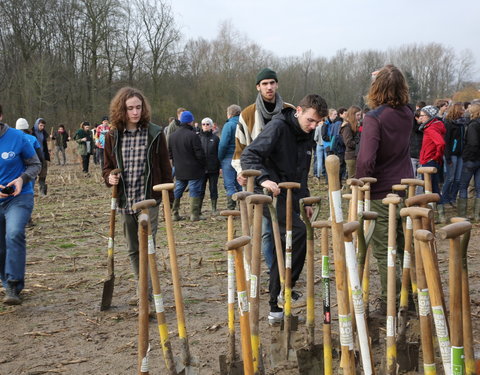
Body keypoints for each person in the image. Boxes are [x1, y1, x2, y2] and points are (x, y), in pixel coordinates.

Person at [240, 94, 328, 324]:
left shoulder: (306, 136)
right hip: (272, 194)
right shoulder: (278, 127)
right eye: (310, 120)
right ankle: (282, 292)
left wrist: (305, 201)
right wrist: (264, 179)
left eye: (317, 123)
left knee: (293, 240)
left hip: (292, 194)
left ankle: (278, 303)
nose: (313, 126)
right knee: (295, 234)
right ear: (298, 110)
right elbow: (250, 155)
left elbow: (302, 173)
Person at [103, 87, 173, 297]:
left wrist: (169, 196)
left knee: (147, 246)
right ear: (121, 110)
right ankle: (141, 286)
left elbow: (164, 166)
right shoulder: (113, 136)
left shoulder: (155, 133)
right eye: (130, 108)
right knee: (133, 249)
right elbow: (106, 167)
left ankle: (146, 293)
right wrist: (110, 177)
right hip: (124, 200)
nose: (135, 112)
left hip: (148, 200)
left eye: (138, 108)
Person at [356, 64, 414, 314]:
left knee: (384, 250)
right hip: (406, 188)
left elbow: (366, 158)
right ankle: (406, 297)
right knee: (403, 247)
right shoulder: (408, 113)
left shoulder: (374, 117)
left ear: (376, 88)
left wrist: (361, 182)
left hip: (382, 191)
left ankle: (390, 300)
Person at [232, 68, 294, 272]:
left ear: (277, 85)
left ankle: (288, 266)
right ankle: (274, 268)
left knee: (289, 226)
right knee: (268, 228)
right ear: (258, 87)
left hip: (285, 177)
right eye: (265, 83)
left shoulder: (289, 111)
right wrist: (242, 171)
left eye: (272, 83)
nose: (269, 87)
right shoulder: (248, 114)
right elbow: (240, 148)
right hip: (260, 178)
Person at [0, 105, 41, 305]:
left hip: (19, 197)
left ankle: (13, 285)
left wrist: (21, 179)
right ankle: (6, 281)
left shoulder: (17, 137)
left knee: (14, 233)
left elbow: (36, 164)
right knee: (0, 247)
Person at [168, 111, 206, 221]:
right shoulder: (193, 136)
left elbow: (170, 154)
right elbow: (199, 154)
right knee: (194, 190)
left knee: (178, 190)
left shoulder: (172, 136)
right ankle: (194, 215)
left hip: (179, 169)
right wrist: (203, 165)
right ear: (190, 121)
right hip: (194, 169)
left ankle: (174, 213)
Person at [439, 102, 467, 220]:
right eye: (462, 110)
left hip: (460, 154)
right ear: (457, 110)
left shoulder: (462, 123)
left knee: (458, 178)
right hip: (451, 154)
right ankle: (444, 198)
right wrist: (448, 157)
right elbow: (446, 141)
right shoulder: (449, 123)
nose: (464, 111)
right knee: (450, 178)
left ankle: (453, 198)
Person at [457, 102, 480, 220]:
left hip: (471, 159)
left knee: (463, 186)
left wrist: (466, 157)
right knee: (478, 188)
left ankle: (462, 215)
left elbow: (473, 143)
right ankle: (477, 215)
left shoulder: (473, 125)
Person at [218, 104, 242, 209]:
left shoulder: (229, 125)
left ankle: (231, 208)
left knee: (229, 184)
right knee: (240, 183)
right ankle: (243, 207)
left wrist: (220, 157)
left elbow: (223, 144)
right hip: (241, 157)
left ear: (230, 114)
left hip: (228, 157)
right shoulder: (244, 124)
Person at [418, 105, 446, 196]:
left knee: (430, 188)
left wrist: (435, 157)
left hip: (429, 161)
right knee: (433, 187)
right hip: (430, 160)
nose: (420, 117)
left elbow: (441, 143)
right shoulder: (432, 126)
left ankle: (433, 208)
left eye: (422, 115)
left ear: (429, 116)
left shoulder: (431, 128)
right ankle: (436, 208)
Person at [198, 117, 220, 215]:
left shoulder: (216, 138)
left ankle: (214, 208)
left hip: (213, 168)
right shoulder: (197, 138)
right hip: (201, 169)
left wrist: (220, 167)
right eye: (203, 124)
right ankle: (198, 209)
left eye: (207, 124)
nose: (205, 126)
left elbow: (219, 153)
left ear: (211, 126)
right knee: (200, 189)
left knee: (213, 188)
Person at [340, 105, 362, 179]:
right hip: (351, 156)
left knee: (356, 178)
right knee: (352, 179)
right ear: (352, 115)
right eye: (358, 115)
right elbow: (348, 142)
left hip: (356, 155)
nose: (359, 117)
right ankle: (349, 191)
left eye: (360, 115)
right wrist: (360, 144)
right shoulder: (347, 127)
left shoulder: (356, 125)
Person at [32, 118, 50, 195]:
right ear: (37, 125)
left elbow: (45, 145)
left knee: (43, 175)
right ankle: (30, 191)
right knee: (33, 176)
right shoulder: (31, 133)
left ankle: (42, 191)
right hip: (34, 157)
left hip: (42, 156)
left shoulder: (43, 133)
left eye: (43, 126)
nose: (42, 127)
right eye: (41, 125)